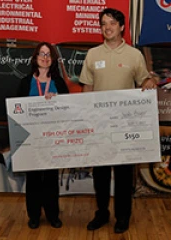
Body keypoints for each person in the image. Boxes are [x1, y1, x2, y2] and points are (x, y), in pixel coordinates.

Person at [79, 8, 157, 234]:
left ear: (122, 27)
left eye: (112, 23)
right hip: (100, 126)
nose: (108, 27)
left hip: (125, 127)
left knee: (124, 175)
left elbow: (145, 80)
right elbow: (87, 87)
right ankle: (101, 212)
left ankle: (123, 217)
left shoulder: (134, 55)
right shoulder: (93, 54)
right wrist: (86, 120)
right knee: (101, 175)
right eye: (104, 23)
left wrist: (149, 82)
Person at [17, 42, 69, 229]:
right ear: (35, 57)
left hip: (53, 138)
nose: (45, 57)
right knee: (33, 179)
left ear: (53, 59)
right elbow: (17, 112)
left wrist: (56, 102)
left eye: (48, 54)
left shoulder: (60, 83)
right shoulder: (25, 83)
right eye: (41, 53)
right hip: (31, 140)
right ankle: (34, 215)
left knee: (50, 179)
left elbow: (68, 111)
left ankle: (53, 215)